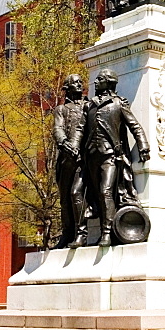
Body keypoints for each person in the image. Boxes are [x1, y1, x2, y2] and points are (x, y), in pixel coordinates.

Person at [78, 69, 150, 247]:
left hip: (109, 155)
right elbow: (81, 129)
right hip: (91, 157)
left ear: (109, 83)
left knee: (105, 191)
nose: (96, 82)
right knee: (94, 194)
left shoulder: (118, 104)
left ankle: (107, 232)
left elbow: (135, 126)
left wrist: (143, 145)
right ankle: (86, 231)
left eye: (100, 79)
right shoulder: (91, 105)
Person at [52, 74, 89, 249]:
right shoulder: (61, 109)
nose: (80, 85)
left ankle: (81, 233)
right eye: (75, 83)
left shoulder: (88, 106)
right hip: (66, 159)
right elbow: (58, 129)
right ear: (67, 87)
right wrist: (65, 143)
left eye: (81, 82)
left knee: (76, 194)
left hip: (83, 159)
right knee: (65, 199)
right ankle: (67, 233)